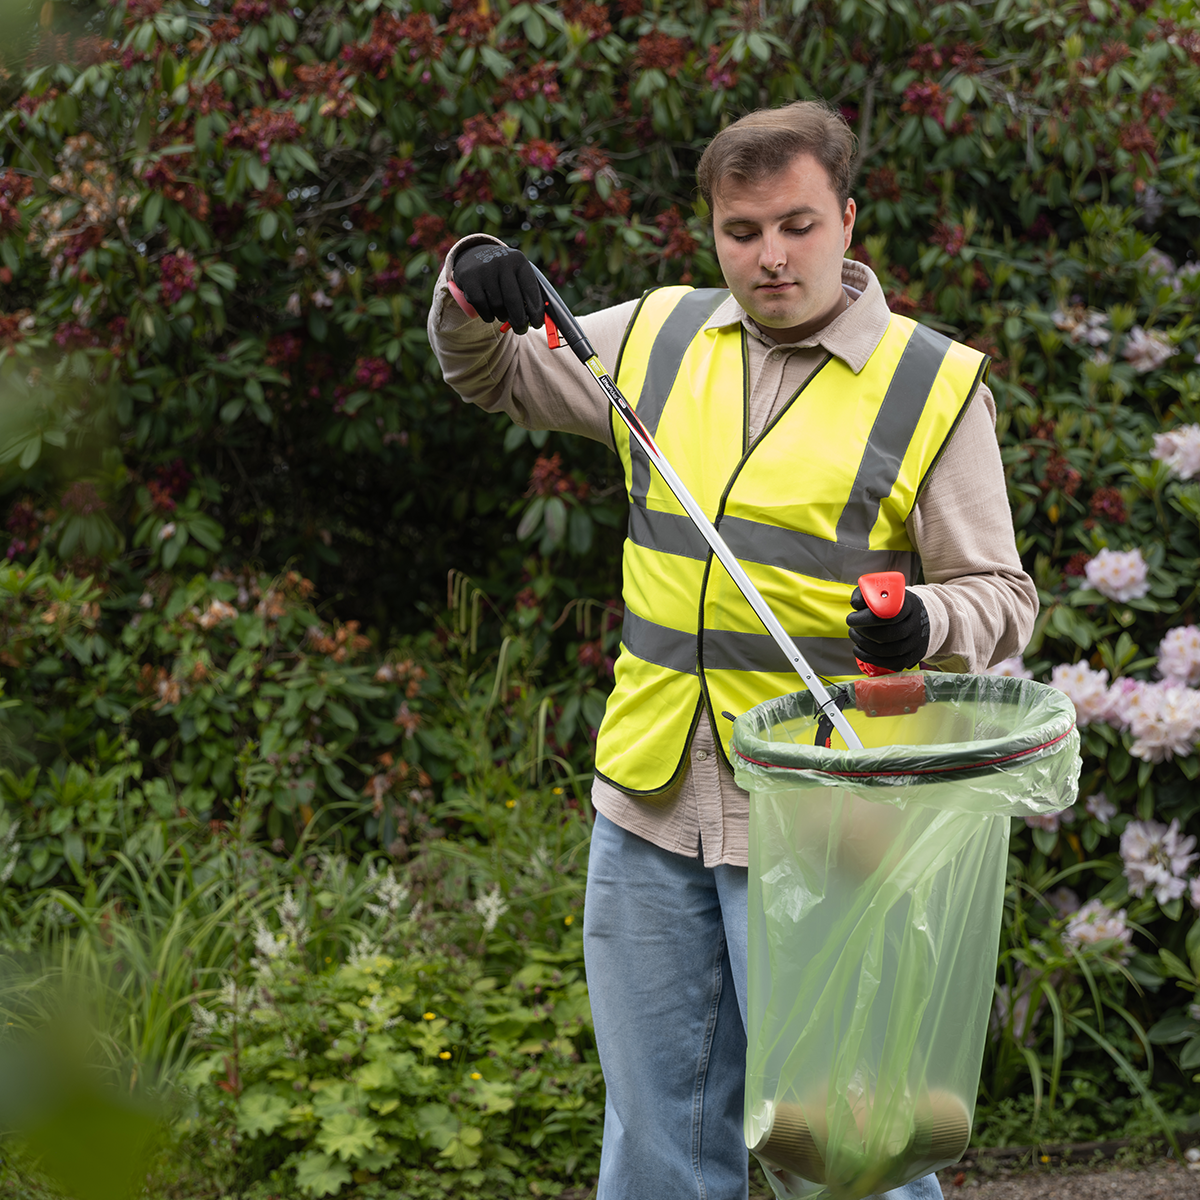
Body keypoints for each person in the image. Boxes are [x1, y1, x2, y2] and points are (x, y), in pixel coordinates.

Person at [427, 101, 1037, 1200]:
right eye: (742, 230)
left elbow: (1002, 596)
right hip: (648, 805)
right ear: (712, 231)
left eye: (798, 225)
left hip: (823, 820)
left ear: (848, 221)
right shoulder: (655, 338)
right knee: (655, 1137)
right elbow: (492, 373)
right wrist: (470, 290)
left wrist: (927, 625)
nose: (771, 257)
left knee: (851, 1150)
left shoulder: (930, 385)